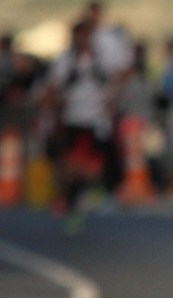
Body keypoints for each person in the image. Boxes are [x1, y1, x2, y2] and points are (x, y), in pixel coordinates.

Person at [43, 20, 118, 232]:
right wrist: (50, 113)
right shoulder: (66, 61)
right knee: (71, 165)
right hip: (73, 119)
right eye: (81, 35)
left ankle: (86, 196)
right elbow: (52, 87)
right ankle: (72, 201)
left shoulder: (101, 60)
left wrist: (110, 104)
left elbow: (116, 81)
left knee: (93, 164)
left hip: (96, 119)